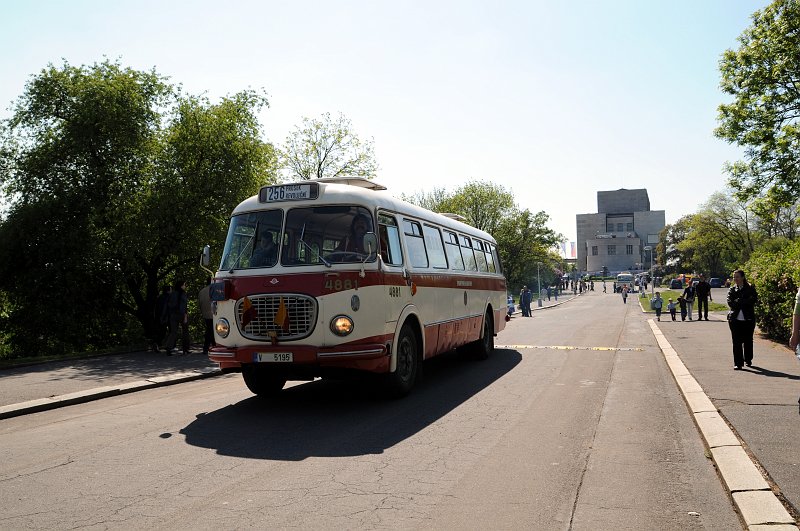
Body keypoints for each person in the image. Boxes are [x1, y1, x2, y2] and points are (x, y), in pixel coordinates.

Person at [727, 269, 758, 370]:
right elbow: (730, 302)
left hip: (748, 319)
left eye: (737, 277)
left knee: (748, 340)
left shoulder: (750, 288)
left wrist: (741, 301)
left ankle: (748, 359)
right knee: (736, 341)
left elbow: (753, 300)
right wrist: (742, 301)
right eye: (734, 277)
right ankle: (738, 363)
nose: (735, 279)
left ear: (742, 277)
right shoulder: (732, 290)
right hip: (735, 319)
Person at [165, 279, 190, 356]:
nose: (185, 286)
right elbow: (184, 306)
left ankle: (168, 348)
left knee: (173, 332)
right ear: (181, 286)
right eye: (184, 285)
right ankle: (185, 349)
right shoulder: (183, 294)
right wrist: (185, 316)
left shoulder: (172, 294)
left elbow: (169, 304)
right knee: (185, 332)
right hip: (181, 314)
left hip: (173, 315)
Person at [198, 277, 215, 355]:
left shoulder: (202, 291)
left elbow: (200, 304)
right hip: (213, 314)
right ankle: (210, 347)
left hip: (205, 314)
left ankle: (207, 347)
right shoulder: (214, 290)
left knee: (209, 330)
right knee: (211, 331)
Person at [152, 284, 171, 352]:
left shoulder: (160, 297)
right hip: (165, 317)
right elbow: (166, 308)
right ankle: (166, 345)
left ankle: (156, 343)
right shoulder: (168, 297)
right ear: (168, 290)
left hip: (159, 317)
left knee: (161, 331)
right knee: (169, 331)